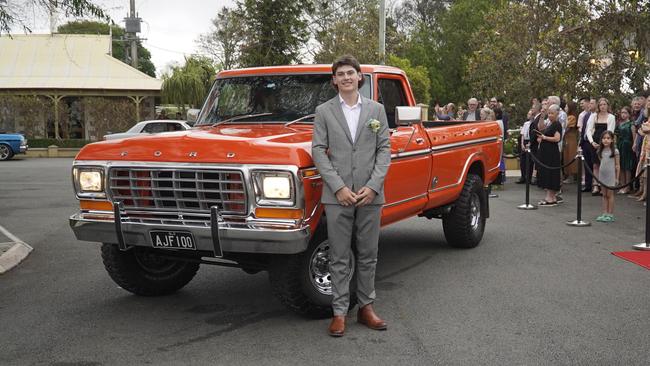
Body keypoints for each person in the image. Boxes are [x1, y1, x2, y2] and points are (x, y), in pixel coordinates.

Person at [311, 55, 391, 337]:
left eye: (350, 73)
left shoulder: (376, 110)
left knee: (369, 253)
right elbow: (318, 150)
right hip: (338, 195)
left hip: (371, 194)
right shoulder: (323, 111)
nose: (346, 77)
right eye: (340, 74)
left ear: (360, 77)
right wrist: (338, 187)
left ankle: (366, 307)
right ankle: (339, 312)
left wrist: (373, 186)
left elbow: (384, 149)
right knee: (339, 255)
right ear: (334, 80)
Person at [586, 97, 616, 195]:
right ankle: (595, 185)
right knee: (595, 165)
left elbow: (610, 131)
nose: (602, 106)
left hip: (606, 143)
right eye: (601, 104)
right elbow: (589, 130)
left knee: (605, 165)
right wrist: (591, 142)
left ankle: (604, 185)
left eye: (604, 104)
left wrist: (604, 143)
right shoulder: (594, 116)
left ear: (608, 106)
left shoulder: (611, 117)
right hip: (594, 142)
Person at [535, 104, 563, 206]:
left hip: (552, 152)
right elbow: (540, 127)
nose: (550, 115)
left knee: (551, 173)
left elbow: (557, 138)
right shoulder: (549, 124)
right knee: (547, 173)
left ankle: (550, 198)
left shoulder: (557, 124)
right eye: (549, 113)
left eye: (552, 113)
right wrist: (542, 115)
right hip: (545, 152)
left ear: (557, 114)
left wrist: (544, 138)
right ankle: (551, 196)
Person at [595, 131, 620, 222]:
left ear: (612, 140)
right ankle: (604, 213)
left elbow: (617, 165)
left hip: (611, 175)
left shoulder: (615, 151)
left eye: (608, 138)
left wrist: (617, 177)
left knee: (610, 195)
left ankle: (610, 214)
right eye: (604, 138)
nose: (606, 140)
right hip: (602, 175)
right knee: (604, 194)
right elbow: (601, 163)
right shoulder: (600, 151)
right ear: (601, 140)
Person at [615, 106, 635, 194]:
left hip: (628, 145)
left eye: (625, 113)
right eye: (622, 113)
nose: (623, 114)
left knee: (627, 166)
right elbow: (616, 134)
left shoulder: (631, 124)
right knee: (621, 166)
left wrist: (634, 145)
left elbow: (634, 136)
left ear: (629, 114)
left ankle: (627, 186)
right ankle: (622, 185)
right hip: (620, 145)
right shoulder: (619, 123)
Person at [578, 98, 595, 192]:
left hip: (592, 142)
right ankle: (588, 185)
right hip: (585, 142)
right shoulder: (586, 115)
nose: (590, 105)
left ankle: (595, 185)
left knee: (594, 164)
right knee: (587, 164)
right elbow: (583, 129)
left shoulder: (597, 115)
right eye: (590, 103)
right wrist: (581, 142)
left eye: (592, 103)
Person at [563, 101, 579, 183]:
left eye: (566, 107)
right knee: (566, 156)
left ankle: (571, 176)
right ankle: (568, 175)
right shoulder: (567, 116)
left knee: (570, 156)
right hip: (566, 138)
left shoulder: (572, 117)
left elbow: (566, 127)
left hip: (571, 138)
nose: (565, 108)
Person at [517, 109, 533, 184]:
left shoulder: (533, 123)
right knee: (522, 161)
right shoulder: (526, 123)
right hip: (525, 141)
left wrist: (530, 143)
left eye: (530, 114)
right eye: (528, 114)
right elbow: (522, 134)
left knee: (529, 161)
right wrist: (522, 144)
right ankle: (523, 177)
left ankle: (529, 178)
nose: (529, 115)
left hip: (530, 141)